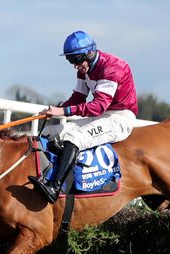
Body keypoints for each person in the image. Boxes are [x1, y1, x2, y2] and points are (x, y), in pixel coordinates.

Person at [29, 30, 138, 203]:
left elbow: (98, 106)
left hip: (120, 117)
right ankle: (48, 173)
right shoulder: (83, 69)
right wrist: (56, 109)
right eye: (70, 60)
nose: (74, 65)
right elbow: (78, 99)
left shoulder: (113, 68)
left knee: (74, 138)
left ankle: (55, 187)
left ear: (90, 52)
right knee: (50, 132)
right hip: (102, 115)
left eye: (76, 60)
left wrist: (62, 112)